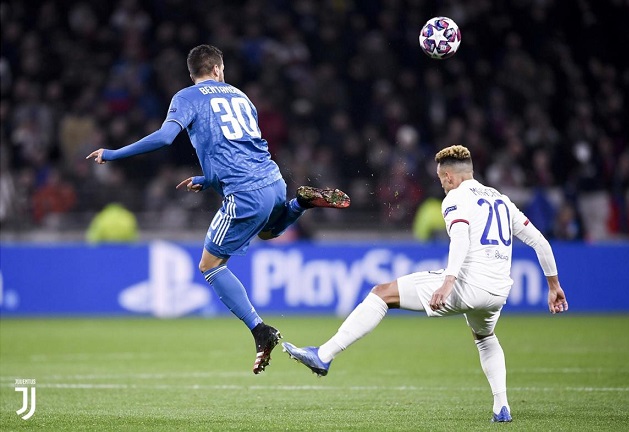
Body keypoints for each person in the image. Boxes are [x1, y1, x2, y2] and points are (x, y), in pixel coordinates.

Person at [87, 44, 350, 374]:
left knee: (210, 265)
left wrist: (113, 154)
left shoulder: (187, 97)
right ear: (217, 70)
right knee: (269, 231)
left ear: (194, 72)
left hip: (243, 193)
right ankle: (301, 202)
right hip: (273, 179)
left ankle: (260, 330)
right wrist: (208, 179)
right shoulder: (242, 97)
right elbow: (240, 150)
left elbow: (166, 138)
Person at [282, 145, 567, 422]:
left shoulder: (455, 198)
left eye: (441, 179)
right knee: (485, 338)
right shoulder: (502, 201)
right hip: (497, 291)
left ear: (449, 177)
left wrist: (448, 282)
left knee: (381, 293)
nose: (442, 185)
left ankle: (324, 354)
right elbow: (539, 241)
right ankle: (501, 406)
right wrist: (553, 286)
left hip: (466, 285)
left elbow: (461, 239)